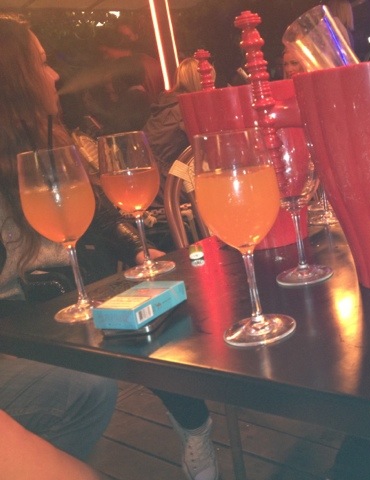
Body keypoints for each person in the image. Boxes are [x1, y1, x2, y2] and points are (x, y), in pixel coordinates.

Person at [0, 14, 219, 480]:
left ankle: (195, 426)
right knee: (102, 368)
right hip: (23, 321)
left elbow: (98, 213)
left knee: (164, 313)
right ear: (16, 80)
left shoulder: (51, 138)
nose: (54, 75)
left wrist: (138, 249)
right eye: (41, 63)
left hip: (81, 290)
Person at [143, 56, 206, 205]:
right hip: (165, 186)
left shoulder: (167, 103)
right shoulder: (185, 109)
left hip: (149, 180)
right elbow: (207, 147)